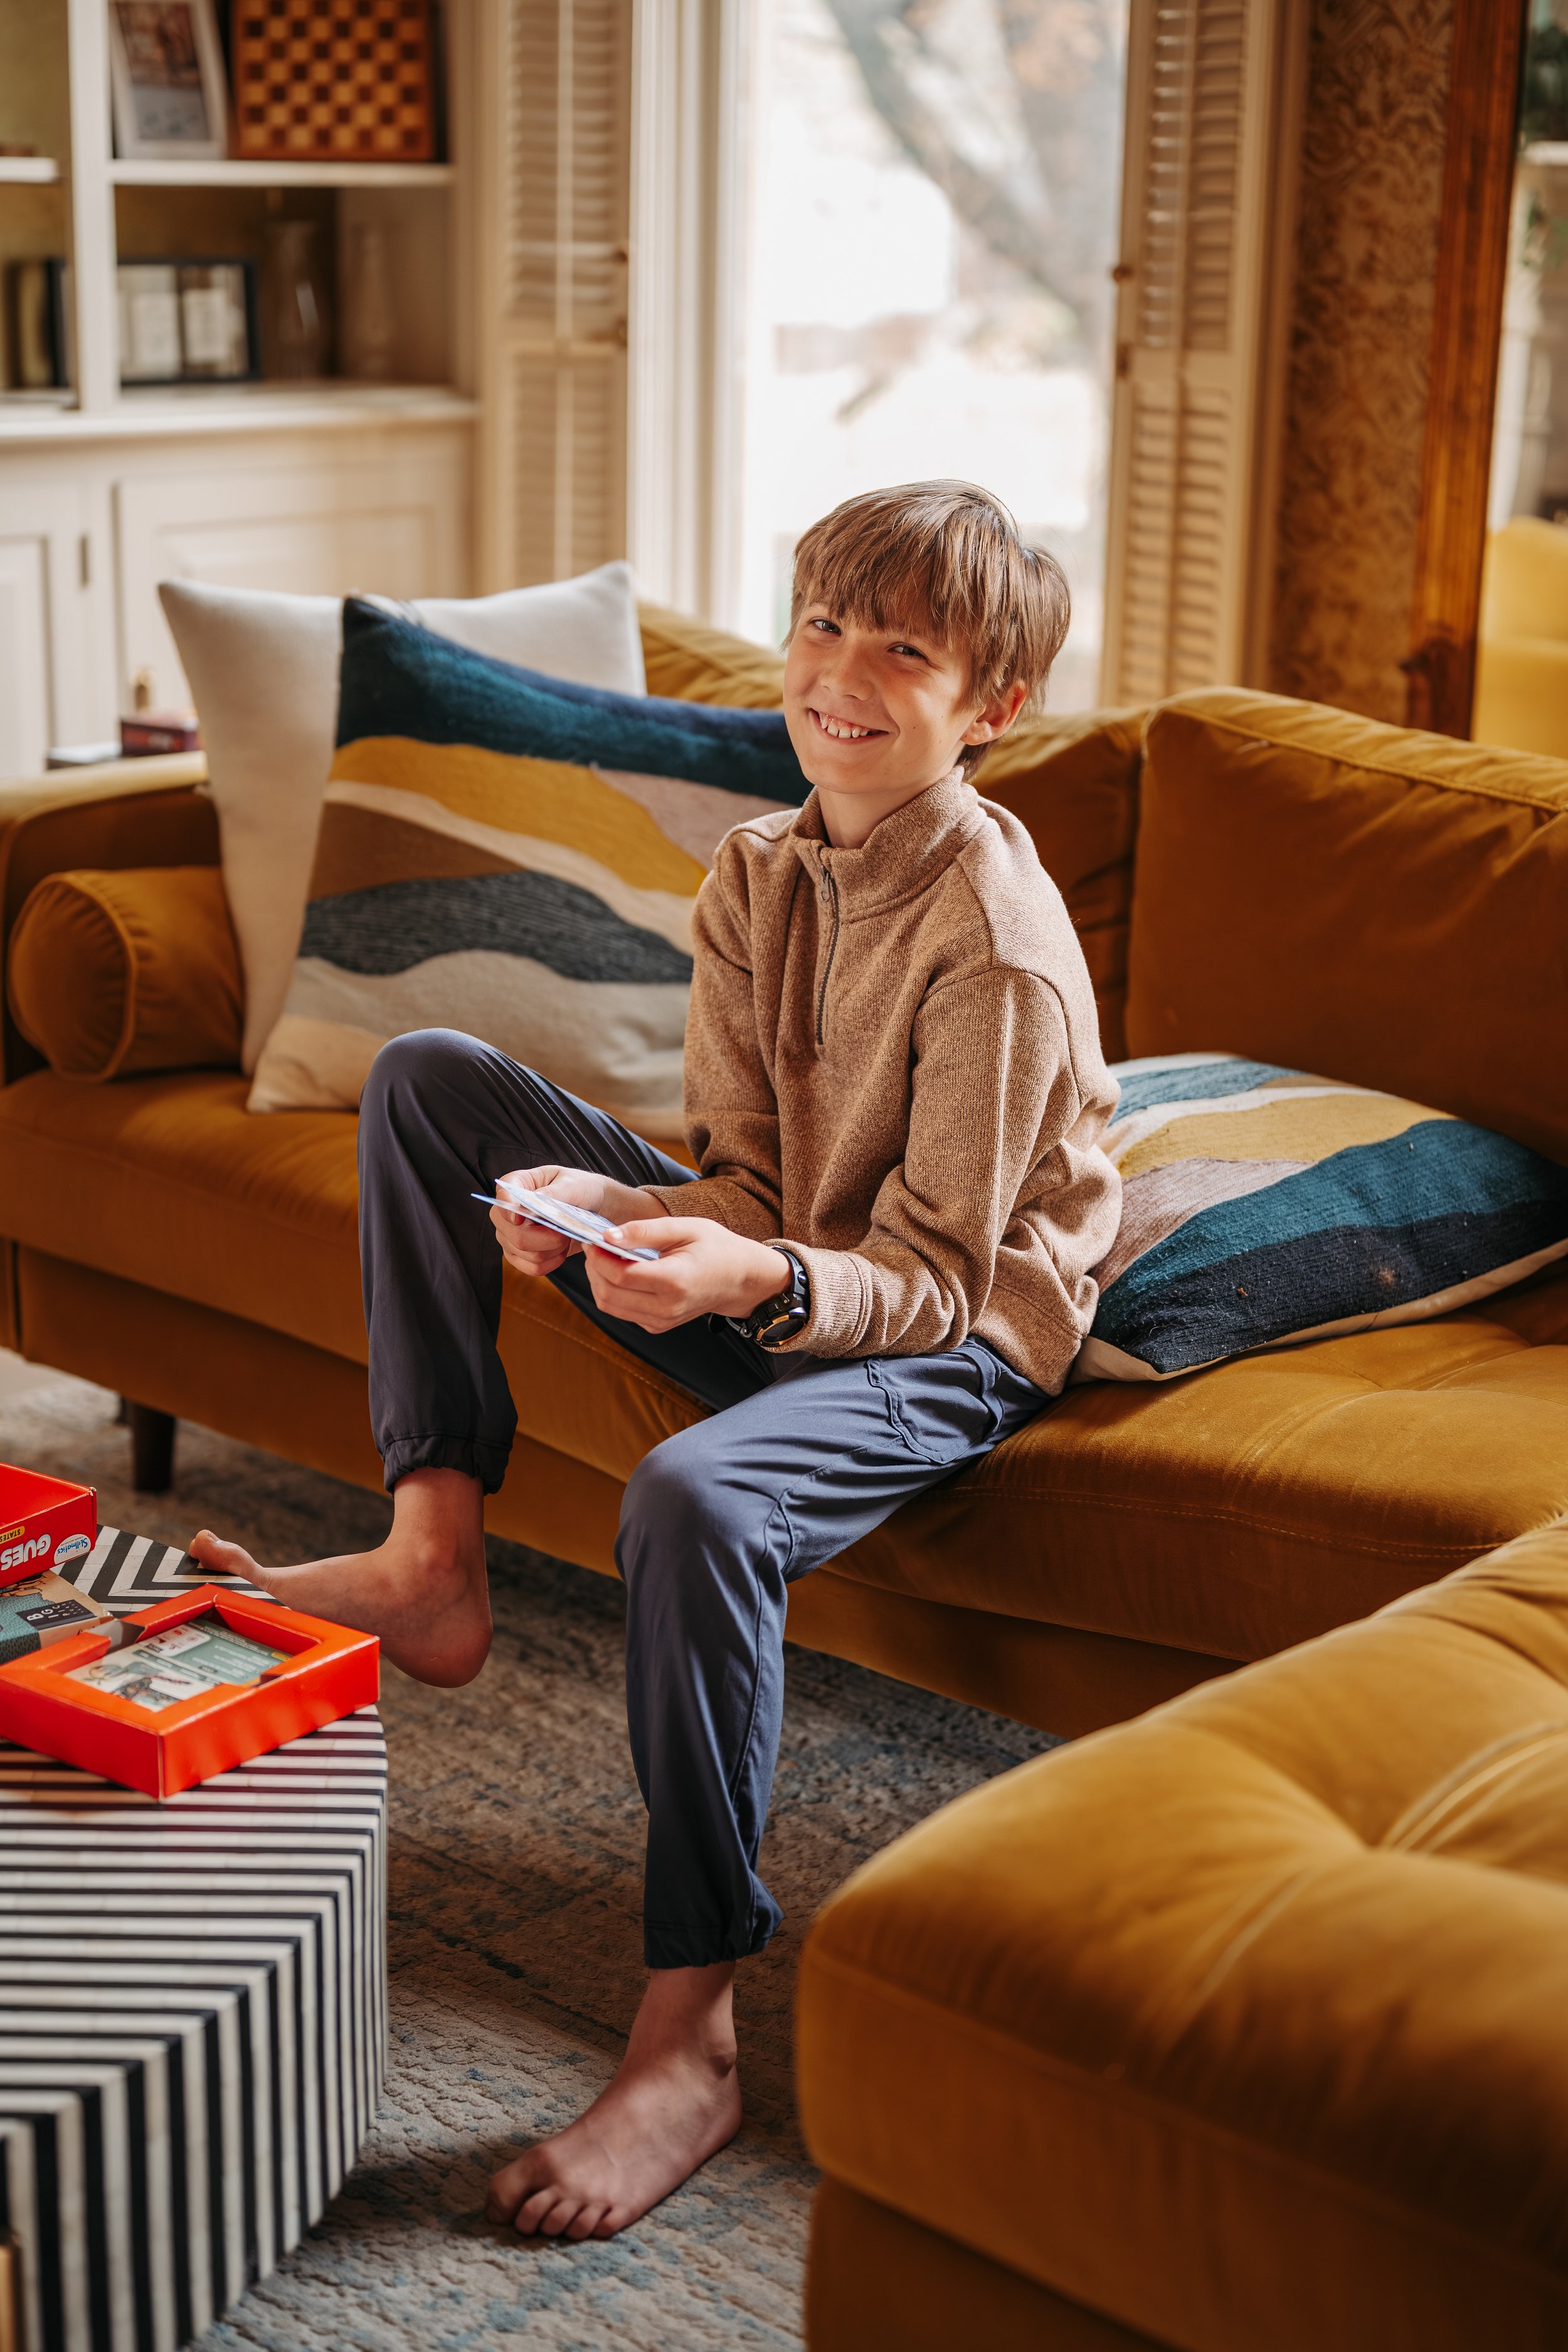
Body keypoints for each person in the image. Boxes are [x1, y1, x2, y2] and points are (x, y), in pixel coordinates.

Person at [191, 479, 1122, 2242]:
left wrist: (745, 1276)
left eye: (903, 650)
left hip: (959, 1333)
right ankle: (432, 1547)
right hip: (795, 1274)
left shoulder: (996, 948)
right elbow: (756, 1180)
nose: (840, 674)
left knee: (697, 1497)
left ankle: (689, 2029)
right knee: (431, 1083)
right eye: (821, 626)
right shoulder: (758, 874)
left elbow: (930, 1274)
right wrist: (615, 1216)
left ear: (989, 706)